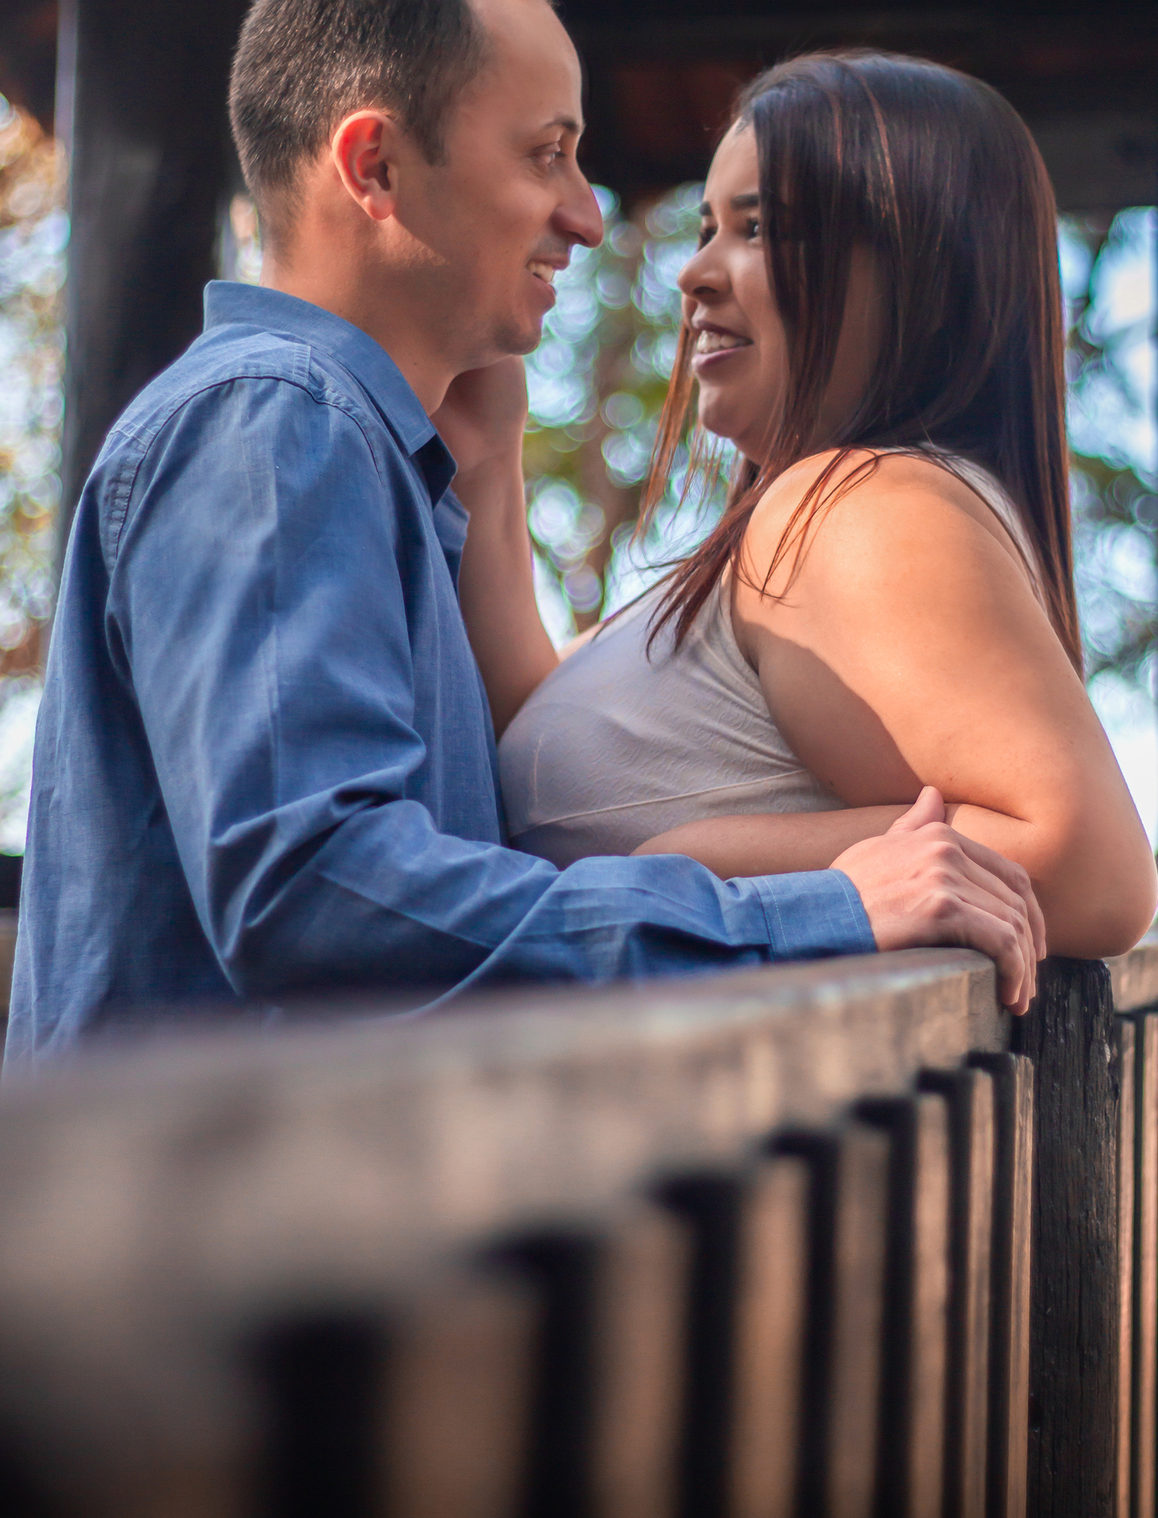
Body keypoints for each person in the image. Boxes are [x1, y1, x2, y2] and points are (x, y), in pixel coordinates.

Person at [7, 0, 1043, 1062]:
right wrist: (817, 910)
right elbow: (315, 890)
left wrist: (485, 475)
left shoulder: (350, 456)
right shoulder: (273, 423)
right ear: (376, 168)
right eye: (545, 152)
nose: (589, 214)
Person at [491, 51, 1156, 959]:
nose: (694, 276)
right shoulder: (804, 524)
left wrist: (696, 858)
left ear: (927, 277)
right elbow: (539, 735)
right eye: (707, 228)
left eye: (761, 230)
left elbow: (1093, 876)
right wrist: (490, 456)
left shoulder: (859, 508)